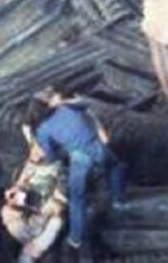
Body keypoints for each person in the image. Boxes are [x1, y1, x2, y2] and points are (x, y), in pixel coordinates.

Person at [32, 88, 126, 253]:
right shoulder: (69, 108)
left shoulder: (43, 129)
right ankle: (119, 201)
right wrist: (64, 102)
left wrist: (58, 155)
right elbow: (85, 103)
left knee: (77, 198)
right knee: (116, 166)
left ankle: (76, 237)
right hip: (96, 147)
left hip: (79, 157)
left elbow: (51, 155)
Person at [2, 124, 66, 262]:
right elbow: (21, 182)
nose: (35, 152)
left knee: (56, 221)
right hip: (30, 210)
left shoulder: (57, 169)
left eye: (39, 148)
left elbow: (58, 204)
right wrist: (16, 191)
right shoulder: (32, 163)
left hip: (41, 208)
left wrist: (49, 207)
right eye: (34, 148)